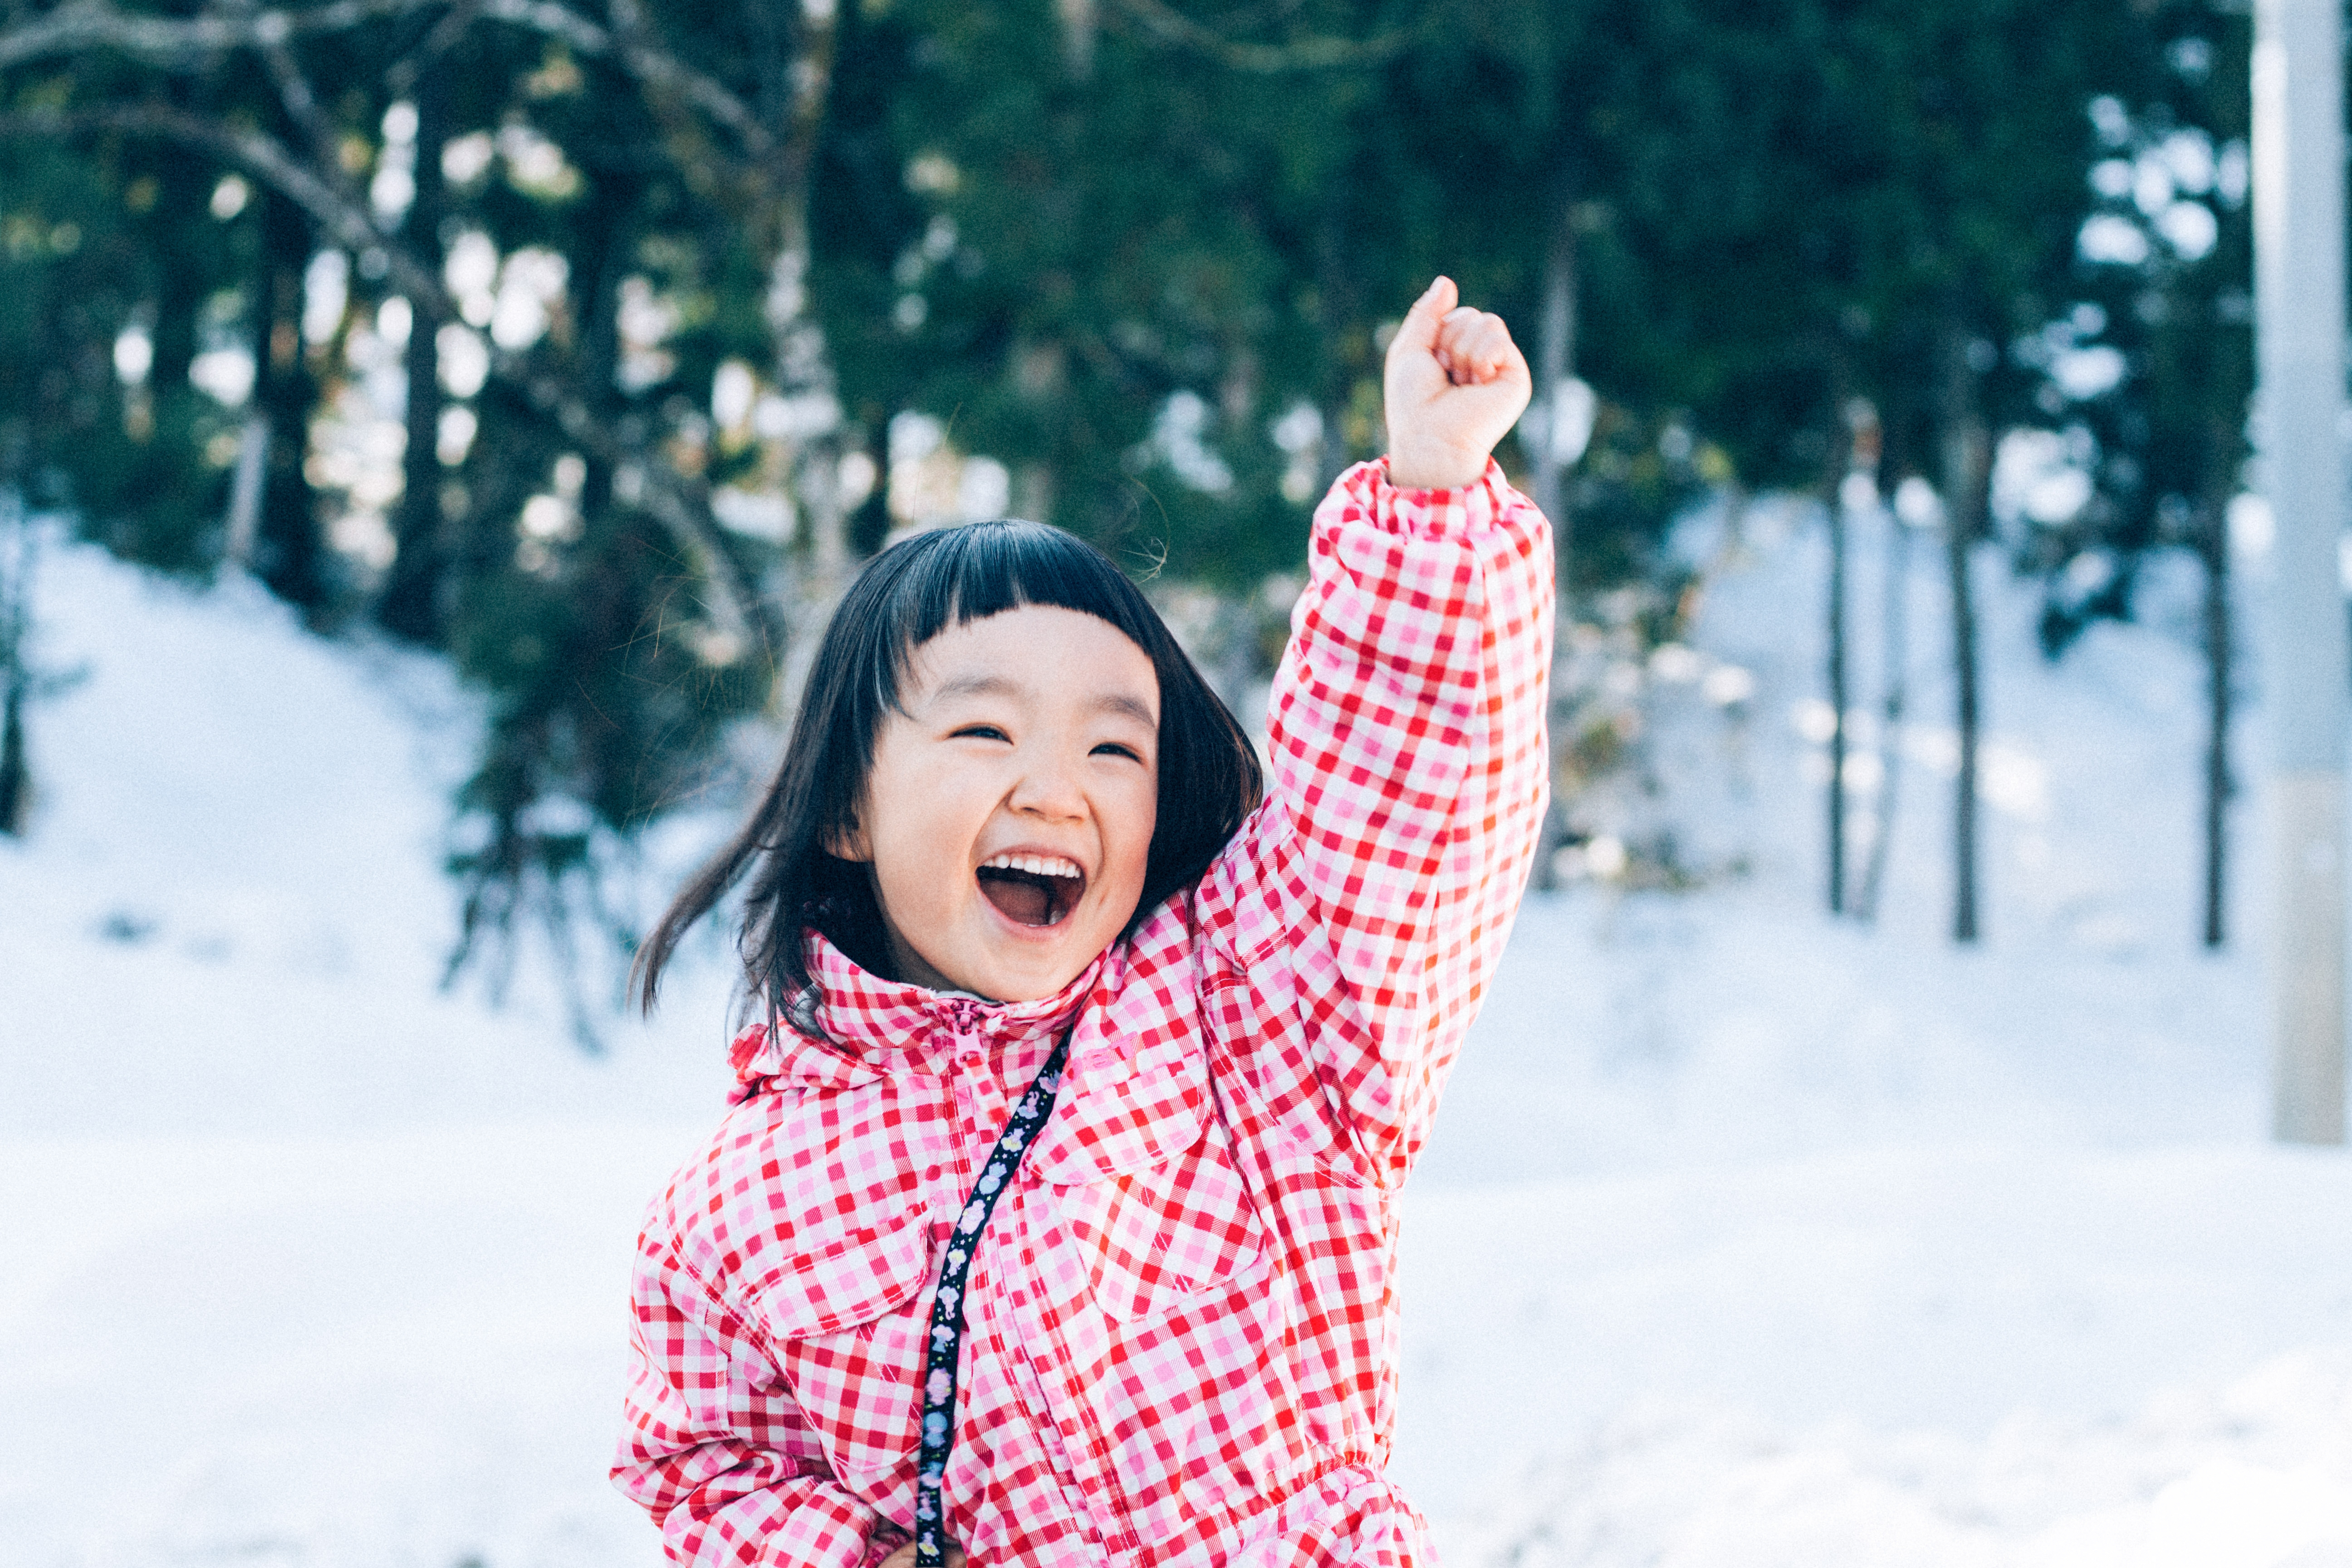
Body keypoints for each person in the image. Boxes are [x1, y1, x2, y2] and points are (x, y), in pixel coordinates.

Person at [614, 275, 1553, 1567]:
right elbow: (705, 1464)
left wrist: (1433, 502)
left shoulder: (1254, 1015)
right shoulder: (745, 1205)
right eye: (987, 729)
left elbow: (1401, 806)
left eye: (1116, 747)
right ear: (846, 809)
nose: (1055, 786)